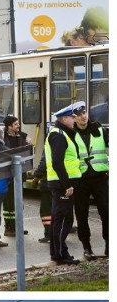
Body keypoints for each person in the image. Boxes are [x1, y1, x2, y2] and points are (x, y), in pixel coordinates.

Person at [45, 102, 83, 265]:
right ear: (64, 119)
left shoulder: (61, 133)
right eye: (72, 118)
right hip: (62, 185)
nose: (75, 120)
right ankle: (61, 254)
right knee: (64, 220)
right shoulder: (59, 135)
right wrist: (67, 185)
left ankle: (56, 253)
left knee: (59, 219)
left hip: (60, 183)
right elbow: (57, 162)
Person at [72, 102, 109, 259]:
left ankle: (109, 244)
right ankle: (86, 247)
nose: (83, 116)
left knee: (107, 213)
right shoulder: (70, 134)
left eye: (84, 112)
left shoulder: (100, 130)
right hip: (80, 180)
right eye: (79, 114)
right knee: (82, 215)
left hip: (100, 178)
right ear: (74, 118)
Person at [2, 115, 32, 237]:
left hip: (20, 174)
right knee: (8, 202)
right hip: (7, 174)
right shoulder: (2, 137)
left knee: (19, 201)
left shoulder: (22, 135)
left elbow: (27, 143)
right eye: (15, 124)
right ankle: (9, 227)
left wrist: (29, 140)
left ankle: (18, 227)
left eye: (18, 123)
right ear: (9, 127)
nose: (18, 126)